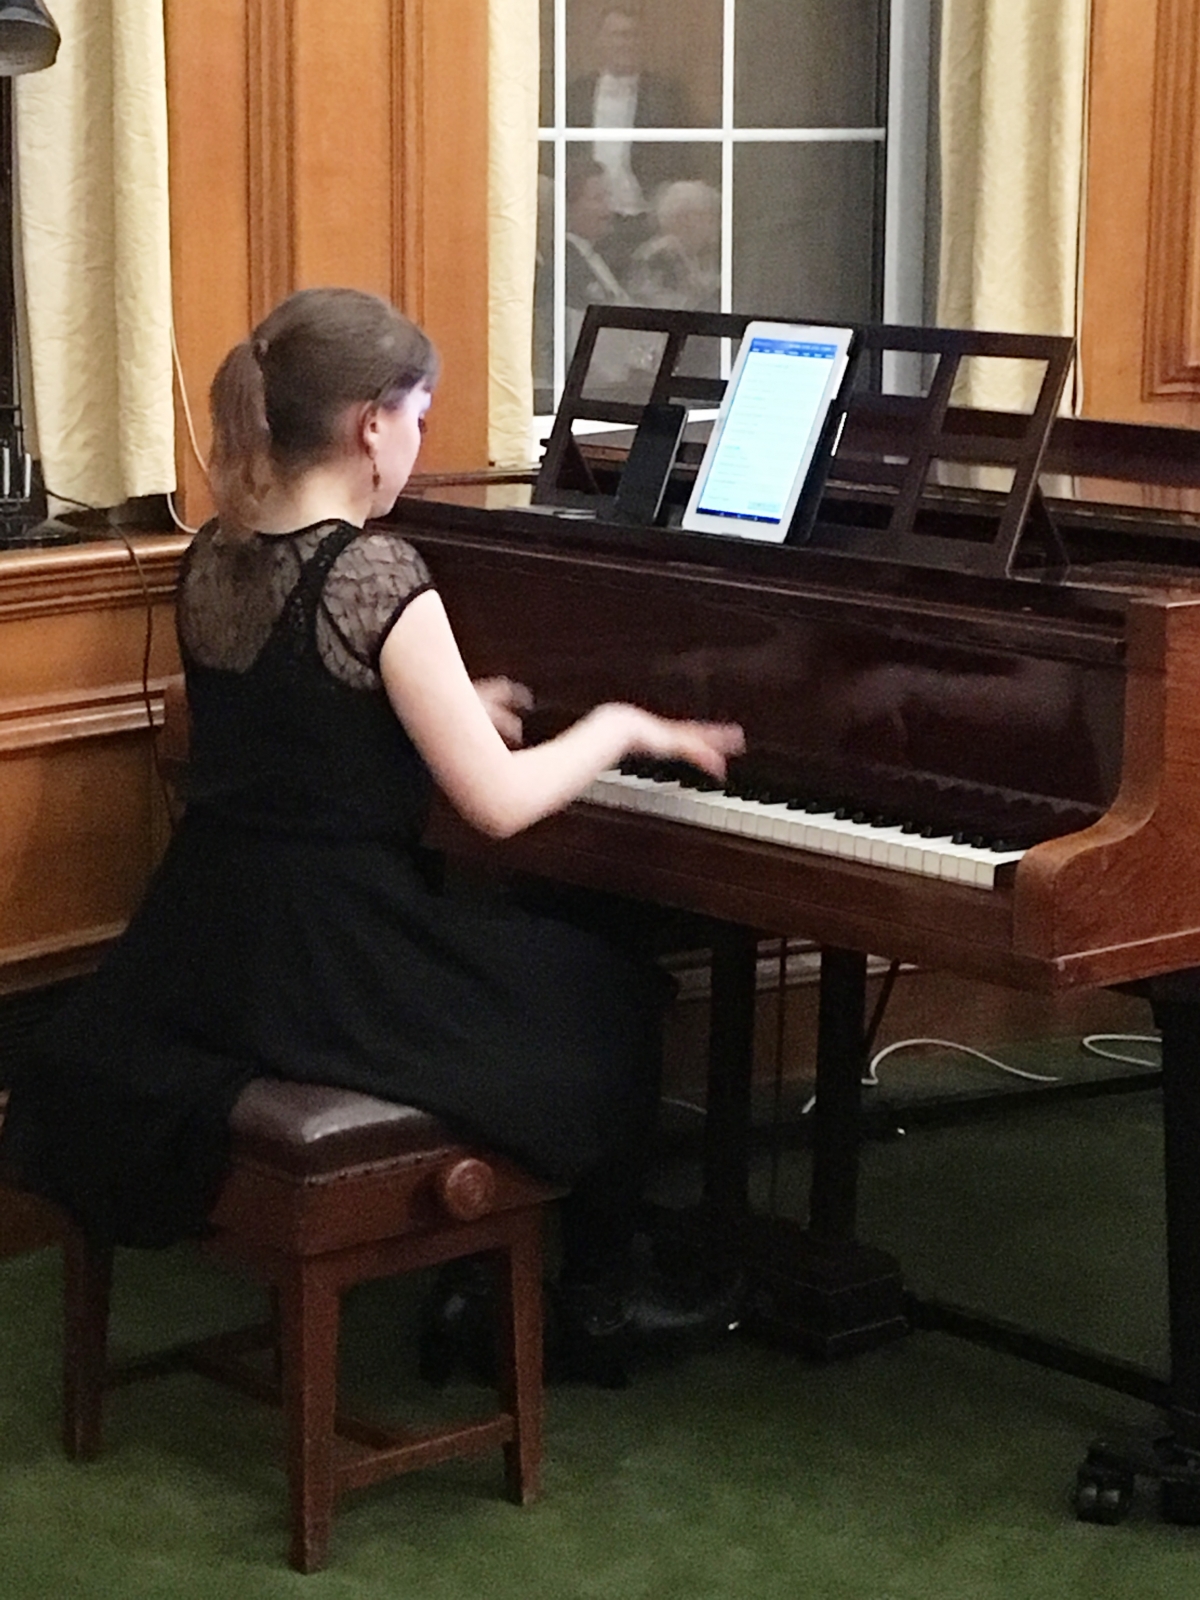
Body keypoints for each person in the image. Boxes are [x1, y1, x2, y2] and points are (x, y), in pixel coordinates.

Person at [0, 287, 743, 1383]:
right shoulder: (374, 571)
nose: (418, 444)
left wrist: (440, 707)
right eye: (420, 420)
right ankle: (588, 1302)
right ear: (370, 425)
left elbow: (294, 712)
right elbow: (498, 805)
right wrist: (624, 727)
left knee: (540, 970)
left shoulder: (215, 553)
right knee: (605, 994)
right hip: (333, 961)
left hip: (206, 949)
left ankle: (479, 1278)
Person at [566, 6, 691, 272]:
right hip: (585, 222)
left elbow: (683, 159)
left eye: (633, 35)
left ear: (643, 42)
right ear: (599, 41)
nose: (625, 43)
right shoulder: (574, 94)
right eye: (617, 35)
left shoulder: (667, 96)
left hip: (646, 220)